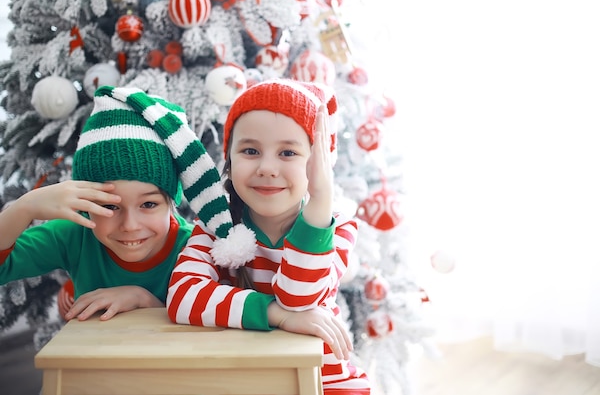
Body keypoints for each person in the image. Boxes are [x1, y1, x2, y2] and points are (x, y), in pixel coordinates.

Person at [167, 79, 371, 394]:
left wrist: (319, 203)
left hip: (322, 381)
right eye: (250, 150)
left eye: (288, 152)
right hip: (244, 376)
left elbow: (298, 298)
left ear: (318, 164)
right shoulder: (218, 224)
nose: (267, 167)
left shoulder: (334, 227)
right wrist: (274, 313)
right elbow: (183, 297)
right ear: (230, 159)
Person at [0, 85, 238, 322]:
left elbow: (213, 324)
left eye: (148, 205)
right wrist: (26, 205)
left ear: (171, 202)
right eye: (109, 206)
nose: (130, 226)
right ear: (85, 203)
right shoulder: (75, 237)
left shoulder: (193, 250)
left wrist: (143, 300)